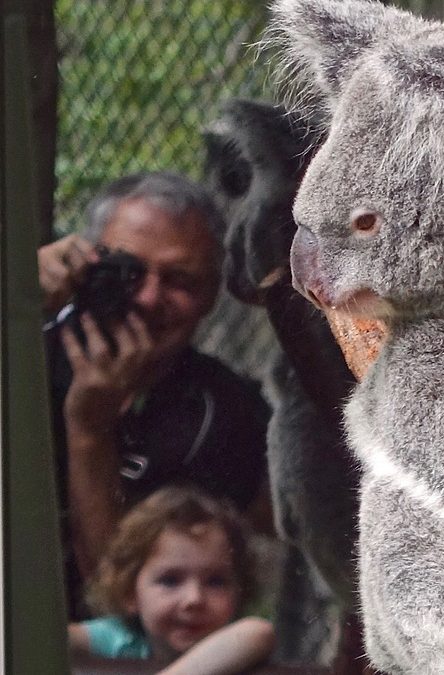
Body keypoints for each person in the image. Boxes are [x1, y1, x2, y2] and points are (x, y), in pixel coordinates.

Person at [40, 172, 271, 616]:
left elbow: (128, 606)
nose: (148, 299)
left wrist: (90, 430)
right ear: (85, 264)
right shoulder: (26, 348)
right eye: (126, 272)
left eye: (179, 281)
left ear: (210, 295)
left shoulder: (222, 414)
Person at [68, 486, 276, 673]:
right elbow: (47, 638)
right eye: (170, 581)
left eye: (215, 582)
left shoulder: (238, 637)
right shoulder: (122, 640)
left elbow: (258, 633)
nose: (194, 599)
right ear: (130, 591)